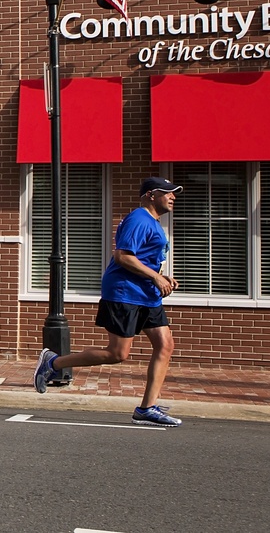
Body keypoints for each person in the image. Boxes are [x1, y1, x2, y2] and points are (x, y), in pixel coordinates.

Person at [34, 176, 185, 427]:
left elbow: (143, 260)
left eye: (174, 193)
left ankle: (147, 408)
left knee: (165, 344)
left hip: (147, 295)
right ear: (150, 194)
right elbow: (123, 256)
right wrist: (156, 277)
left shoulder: (154, 222)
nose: (173, 197)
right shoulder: (139, 219)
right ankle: (53, 362)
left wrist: (160, 277)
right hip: (125, 293)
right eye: (167, 192)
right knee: (117, 354)